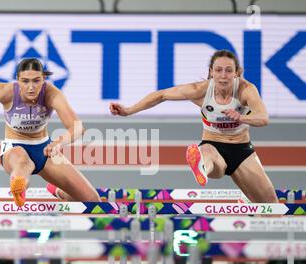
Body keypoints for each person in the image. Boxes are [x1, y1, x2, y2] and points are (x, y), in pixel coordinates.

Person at [110, 49, 278, 203]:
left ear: (237, 73)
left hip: (242, 150)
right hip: (213, 146)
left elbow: (263, 118)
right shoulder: (200, 90)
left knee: (272, 207)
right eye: (218, 70)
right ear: (211, 72)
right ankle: (201, 166)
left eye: (228, 70)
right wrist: (129, 110)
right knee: (207, 153)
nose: (223, 76)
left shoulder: (246, 90)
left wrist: (242, 118)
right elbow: (161, 95)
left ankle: (251, 204)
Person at [0, 58, 100, 206]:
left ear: (44, 79)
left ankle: (59, 191)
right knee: (22, 162)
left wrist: (59, 143)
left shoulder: (52, 94)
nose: (31, 87)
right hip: (14, 147)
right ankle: (19, 188)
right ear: (18, 80)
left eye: (36, 80)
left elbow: (78, 128)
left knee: (92, 201)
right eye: (25, 81)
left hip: (44, 150)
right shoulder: (5, 93)